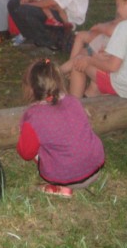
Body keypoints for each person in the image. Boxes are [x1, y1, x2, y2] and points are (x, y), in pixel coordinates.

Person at [17, 58, 105, 198]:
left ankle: (61, 187)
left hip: (67, 177)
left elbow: (26, 153)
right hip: (95, 168)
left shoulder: (33, 116)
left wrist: (22, 135)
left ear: (30, 88)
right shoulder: (73, 101)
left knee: (36, 145)